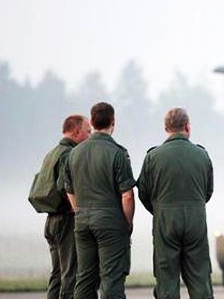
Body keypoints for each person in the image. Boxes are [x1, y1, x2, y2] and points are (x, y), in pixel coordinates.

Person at [137, 107, 214, 299]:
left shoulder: (153, 157)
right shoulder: (202, 155)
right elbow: (208, 190)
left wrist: (159, 210)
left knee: (167, 278)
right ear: (187, 127)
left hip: (165, 220)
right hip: (196, 219)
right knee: (200, 277)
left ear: (166, 128)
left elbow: (143, 193)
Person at [65, 102, 136, 299]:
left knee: (85, 278)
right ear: (113, 122)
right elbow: (127, 195)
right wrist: (127, 222)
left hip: (82, 220)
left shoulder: (74, 153)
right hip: (110, 221)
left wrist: (79, 211)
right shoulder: (117, 152)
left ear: (93, 122)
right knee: (111, 278)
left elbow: (69, 189)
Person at [38, 115, 91, 299]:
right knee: (71, 275)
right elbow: (65, 186)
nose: (90, 136)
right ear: (76, 131)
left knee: (57, 275)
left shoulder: (52, 153)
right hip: (66, 220)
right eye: (88, 131)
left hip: (51, 221)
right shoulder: (69, 154)